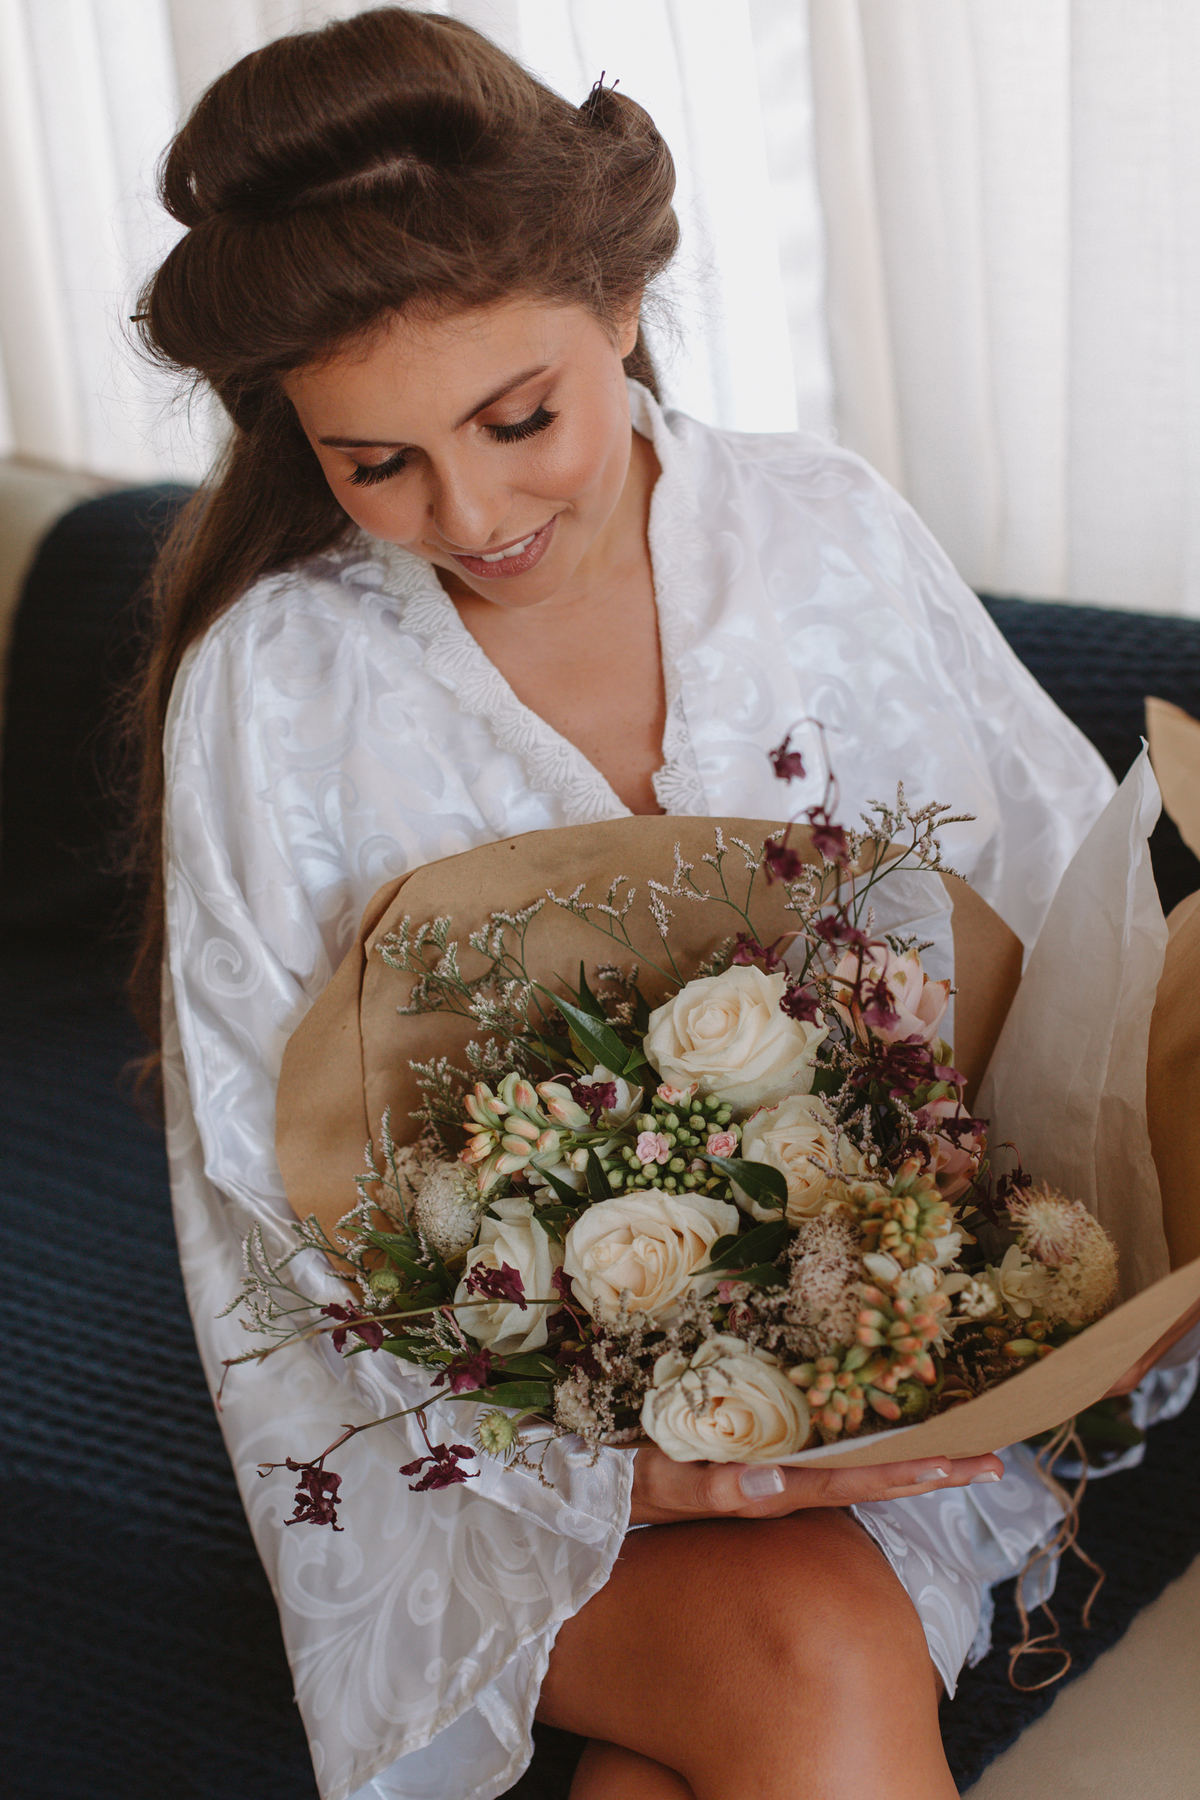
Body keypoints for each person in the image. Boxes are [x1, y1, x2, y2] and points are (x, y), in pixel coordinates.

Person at [129, 11, 1195, 1799]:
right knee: (809, 1663)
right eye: (371, 461)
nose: (467, 512)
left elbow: (1085, 951)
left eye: (515, 415)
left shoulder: (825, 532)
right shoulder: (273, 685)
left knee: (725, 1721)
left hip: (891, 1369)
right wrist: (604, 1467)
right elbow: (254, 1192)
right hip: (470, 1446)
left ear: (620, 306)